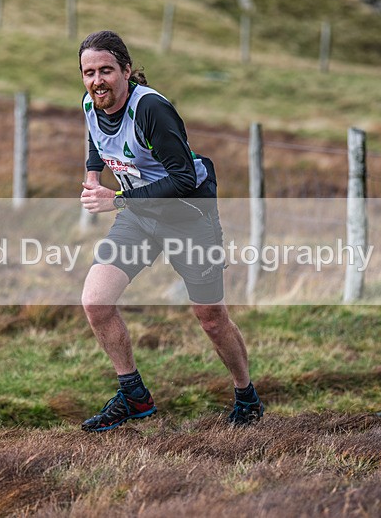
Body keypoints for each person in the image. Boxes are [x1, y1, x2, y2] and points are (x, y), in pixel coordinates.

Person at [77, 30, 263, 432]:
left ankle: (247, 397)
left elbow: (181, 179)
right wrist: (94, 178)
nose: (97, 81)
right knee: (96, 302)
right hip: (140, 218)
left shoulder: (151, 110)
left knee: (210, 317)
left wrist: (118, 200)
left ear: (126, 70)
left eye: (106, 70)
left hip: (188, 216)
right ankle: (134, 397)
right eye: (89, 73)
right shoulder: (91, 104)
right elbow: (96, 140)